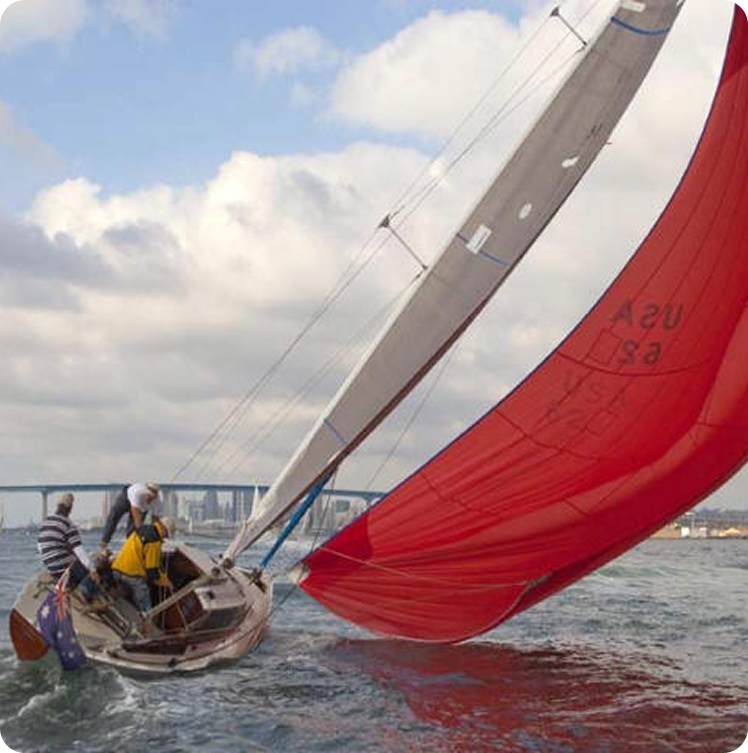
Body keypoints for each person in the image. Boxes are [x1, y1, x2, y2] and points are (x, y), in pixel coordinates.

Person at [37, 493, 99, 593]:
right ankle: (84, 596)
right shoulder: (68, 524)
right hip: (64, 569)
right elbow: (79, 550)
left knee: (74, 561)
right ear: (70, 508)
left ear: (57, 506)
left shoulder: (46, 521)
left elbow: (40, 546)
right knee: (91, 575)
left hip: (51, 569)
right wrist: (93, 570)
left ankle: (68, 586)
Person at [111, 517, 173, 614]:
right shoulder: (154, 541)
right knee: (146, 608)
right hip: (132, 576)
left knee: (125, 592)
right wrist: (166, 583)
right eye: (166, 535)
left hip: (116, 569)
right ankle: (146, 621)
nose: (165, 538)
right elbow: (152, 571)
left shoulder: (142, 529)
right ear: (164, 529)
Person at [99, 482, 160, 550]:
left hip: (141, 507)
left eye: (152, 498)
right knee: (114, 515)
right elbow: (135, 512)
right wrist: (140, 529)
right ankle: (104, 542)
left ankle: (131, 546)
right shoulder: (138, 493)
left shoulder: (156, 501)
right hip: (127, 497)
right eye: (149, 497)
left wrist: (156, 534)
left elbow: (155, 518)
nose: (150, 500)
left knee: (133, 530)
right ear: (146, 493)